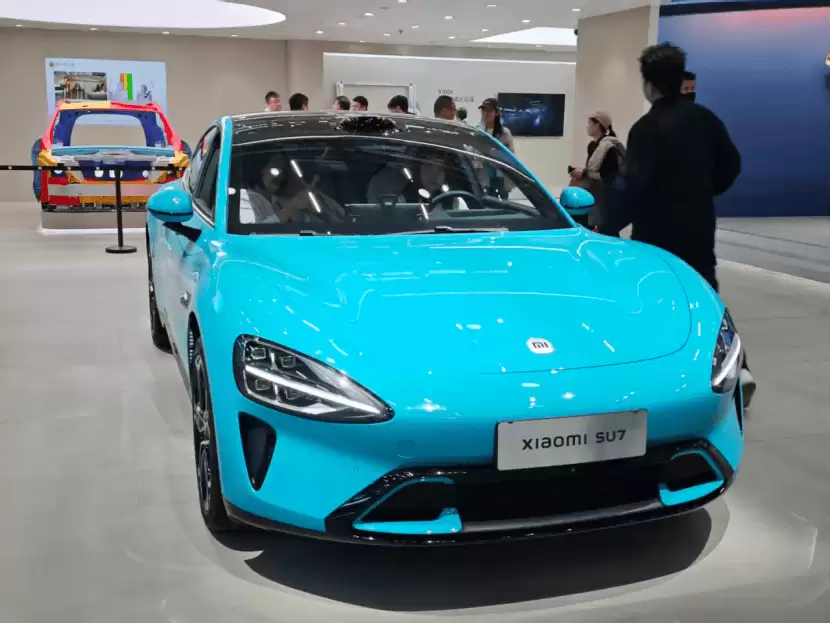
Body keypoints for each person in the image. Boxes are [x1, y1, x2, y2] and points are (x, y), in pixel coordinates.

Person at [622, 42, 756, 406]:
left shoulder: (645, 128)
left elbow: (635, 186)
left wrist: (607, 224)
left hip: (655, 231)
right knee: (706, 295)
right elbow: (731, 166)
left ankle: (664, 375)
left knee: (656, 299)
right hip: (697, 224)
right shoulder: (706, 119)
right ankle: (738, 368)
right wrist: (702, 191)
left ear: (649, 84)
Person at [570, 111, 626, 235]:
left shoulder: (610, 146)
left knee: (608, 230)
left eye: (590, 123)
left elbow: (608, 174)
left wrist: (584, 174)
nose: (587, 126)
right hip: (597, 193)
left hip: (609, 195)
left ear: (598, 125)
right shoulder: (593, 146)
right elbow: (593, 170)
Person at [478, 98, 515, 199]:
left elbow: (510, 157)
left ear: (497, 113)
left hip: (500, 178)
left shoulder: (504, 133)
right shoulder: (478, 131)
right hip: (482, 178)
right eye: (483, 110)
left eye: (489, 110)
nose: (485, 113)